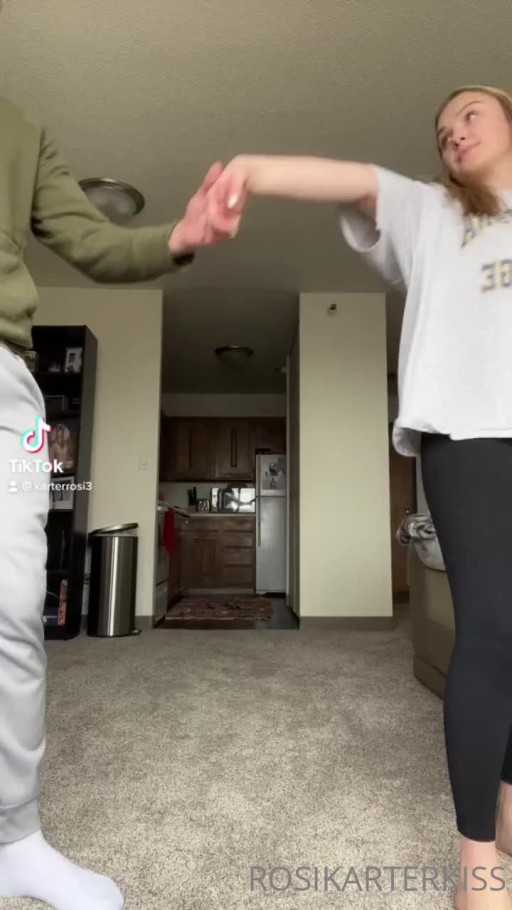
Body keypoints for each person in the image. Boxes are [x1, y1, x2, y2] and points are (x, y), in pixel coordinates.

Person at [205, 85, 512, 910]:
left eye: (470, 116)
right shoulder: (430, 211)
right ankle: (477, 858)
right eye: (442, 129)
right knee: (492, 627)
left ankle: (510, 800)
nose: (452, 134)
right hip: (467, 436)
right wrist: (252, 169)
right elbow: (347, 178)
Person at [0, 95, 243, 910]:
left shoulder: (19, 131)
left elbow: (90, 239)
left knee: (12, 606)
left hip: (4, 380)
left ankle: (13, 840)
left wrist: (179, 235)